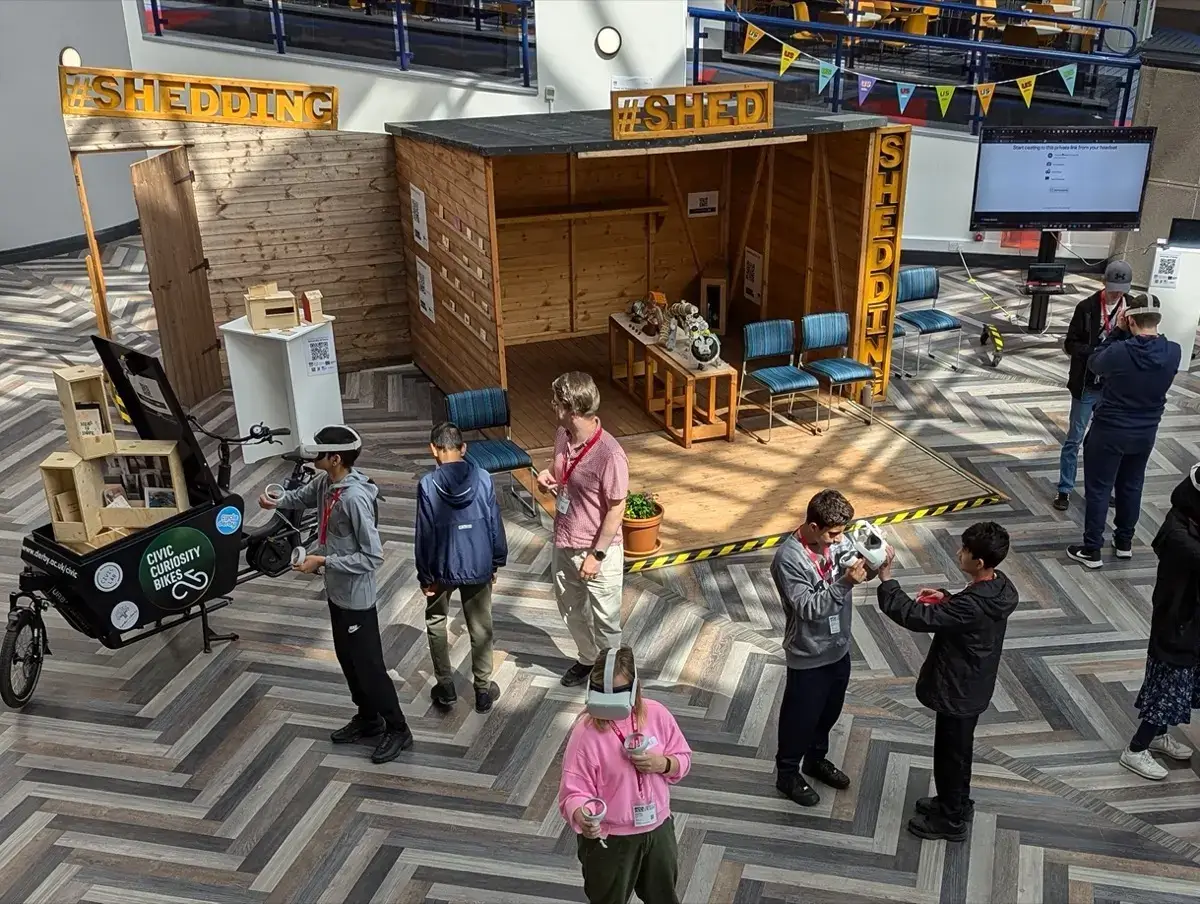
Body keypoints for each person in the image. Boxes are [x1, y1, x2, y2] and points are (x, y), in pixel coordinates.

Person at [259, 424, 412, 764]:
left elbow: (373, 557)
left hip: (357, 599)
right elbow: (300, 497)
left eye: (319, 452)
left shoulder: (354, 499)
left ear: (336, 458)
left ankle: (398, 728)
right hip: (336, 592)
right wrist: (276, 500)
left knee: (370, 667)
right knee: (348, 660)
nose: (313, 456)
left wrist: (323, 561)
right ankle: (368, 718)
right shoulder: (326, 483)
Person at [876, 521, 1018, 842]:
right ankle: (955, 804)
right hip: (973, 684)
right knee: (958, 751)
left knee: (950, 756)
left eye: (965, 550)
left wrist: (887, 580)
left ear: (978, 562)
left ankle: (951, 821)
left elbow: (916, 617)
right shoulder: (1000, 586)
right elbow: (969, 613)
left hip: (958, 688)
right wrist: (948, 599)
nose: (958, 552)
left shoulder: (973, 605)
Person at [558, 646, 692, 904]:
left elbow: (683, 758)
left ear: (635, 688)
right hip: (610, 839)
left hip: (658, 829)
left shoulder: (657, 714)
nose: (610, 701)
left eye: (619, 692)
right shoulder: (585, 734)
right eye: (602, 692)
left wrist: (663, 763)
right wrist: (583, 817)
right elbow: (573, 792)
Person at [1067, 294, 1182, 568]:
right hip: (1146, 432)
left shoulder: (1119, 352)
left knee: (1099, 489)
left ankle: (1092, 549)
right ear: (1157, 319)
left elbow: (1094, 362)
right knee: (1132, 485)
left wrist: (1117, 332)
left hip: (1109, 430)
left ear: (1130, 320)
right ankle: (1124, 543)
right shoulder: (1174, 351)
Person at [771, 489, 869, 808]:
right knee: (800, 718)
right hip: (808, 654)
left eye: (842, 533)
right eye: (833, 534)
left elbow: (855, 566)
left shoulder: (836, 541)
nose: (839, 540)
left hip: (838, 648)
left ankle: (815, 760)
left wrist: (874, 559)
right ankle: (787, 774)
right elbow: (808, 608)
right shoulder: (789, 559)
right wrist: (846, 583)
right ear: (813, 526)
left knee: (829, 711)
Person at [536, 372, 630, 688]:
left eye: (556, 401)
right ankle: (588, 659)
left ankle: (612, 679)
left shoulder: (610, 454)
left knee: (606, 623)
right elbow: (561, 471)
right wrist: (548, 475)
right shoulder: (562, 435)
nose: (552, 406)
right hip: (564, 541)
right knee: (570, 609)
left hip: (597, 551)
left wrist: (596, 555)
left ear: (571, 408)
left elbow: (617, 509)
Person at [415, 422, 508, 714]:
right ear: (463, 448)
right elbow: (494, 523)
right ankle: (482, 691)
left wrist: (425, 576)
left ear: (433, 449)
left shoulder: (428, 485)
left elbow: (424, 534)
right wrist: (496, 560)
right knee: (480, 626)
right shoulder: (483, 478)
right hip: (478, 563)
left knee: (436, 622)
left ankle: (446, 688)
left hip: (441, 567)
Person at [1119, 465, 1200, 781]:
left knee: (1174, 683)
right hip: (1178, 625)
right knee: (1168, 688)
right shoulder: (1179, 536)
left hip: (1187, 624)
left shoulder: (1188, 521)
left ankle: (1158, 736)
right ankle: (1136, 749)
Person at [1054, 259, 1132, 511]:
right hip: (1087, 383)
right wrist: (1096, 353)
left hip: (1112, 388)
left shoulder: (1131, 308)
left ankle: (1099, 490)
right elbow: (1070, 344)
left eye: (1121, 289)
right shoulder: (1086, 307)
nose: (1117, 294)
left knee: (1104, 441)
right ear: (1103, 283)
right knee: (1074, 438)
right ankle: (1064, 489)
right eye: (1113, 288)